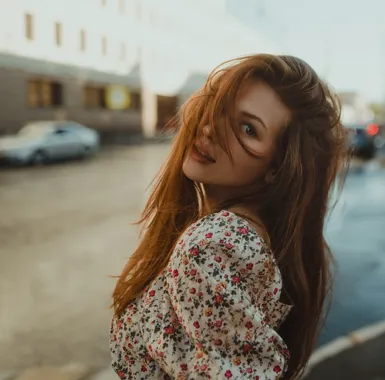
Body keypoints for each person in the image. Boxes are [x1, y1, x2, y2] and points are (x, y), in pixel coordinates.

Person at [109, 54, 348, 379]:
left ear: (275, 169)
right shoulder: (250, 234)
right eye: (219, 108)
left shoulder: (211, 243)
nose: (210, 129)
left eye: (248, 129)